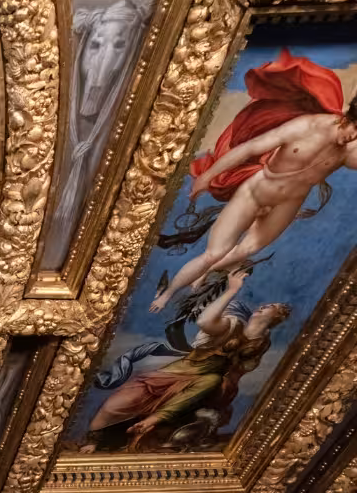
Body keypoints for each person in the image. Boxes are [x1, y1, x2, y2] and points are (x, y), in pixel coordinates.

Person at [152, 52, 357, 312]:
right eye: (352, 132)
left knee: (247, 249)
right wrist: (207, 176)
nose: (350, 141)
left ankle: (206, 274)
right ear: (347, 118)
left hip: (289, 201)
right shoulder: (306, 127)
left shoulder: (351, 149)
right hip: (257, 191)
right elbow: (249, 148)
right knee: (214, 253)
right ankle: (167, 294)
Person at [87, 271, 290, 451]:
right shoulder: (233, 325)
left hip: (205, 386)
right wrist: (231, 290)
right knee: (114, 406)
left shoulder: (261, 345)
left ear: (277, 317)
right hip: (176, 372)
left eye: (272, 307)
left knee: (211, 380)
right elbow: (204, 322)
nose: (265, 305)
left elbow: (236, 376)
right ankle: (92, 440)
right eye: (267, 304)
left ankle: (154, 420)